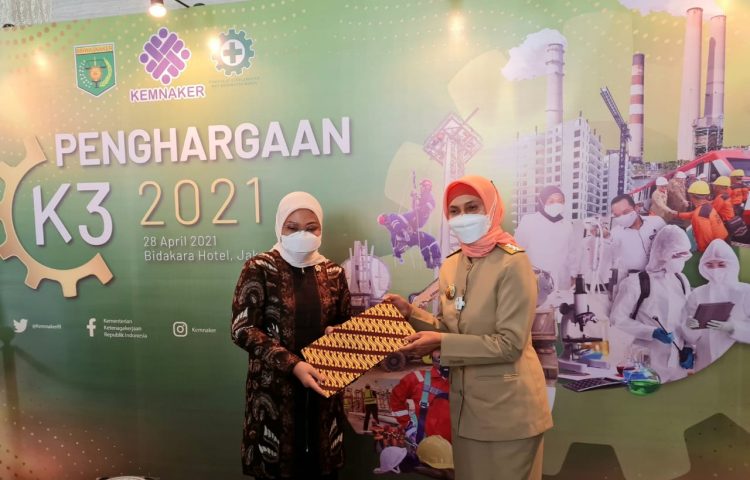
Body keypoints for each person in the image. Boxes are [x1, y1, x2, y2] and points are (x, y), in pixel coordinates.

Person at [385, 175, 552, 480]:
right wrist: (410, 312)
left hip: (509, 412)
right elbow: (450, 327)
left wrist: (442, 343)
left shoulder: (512, 262)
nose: (463, 217)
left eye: (472, 207)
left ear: (491, 209)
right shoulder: (452, 264)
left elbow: (510, 344)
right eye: (455, 211)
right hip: (465, 412)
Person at [230, 191, 351, 480]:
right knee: (279, 469)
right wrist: (293, 365)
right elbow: (242, 329)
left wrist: (339, 333)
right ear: (279, 227)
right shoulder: (260, 268)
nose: (302, 235)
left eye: (311, 228)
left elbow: (344, 322)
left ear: (321, 229)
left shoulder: (333, 272)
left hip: (323, 391)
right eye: (292, 227)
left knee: (320, 469)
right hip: (274, 393)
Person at [609, 226, 693, 382]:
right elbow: (617, 319)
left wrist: (688, 347)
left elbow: (686, 317)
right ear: (663, 253)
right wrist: (651, 332)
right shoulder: (635, 283)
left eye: (684, 255)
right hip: (646, 364)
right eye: (677, 255)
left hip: (677, 366)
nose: (681, 260)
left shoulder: (681, 280)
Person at [679, 240, 750, 372]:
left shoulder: (746, 292)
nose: (715, 269)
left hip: (738, 361)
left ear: (732, 264)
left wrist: (734, 328)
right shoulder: (698, 293)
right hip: (705, 360)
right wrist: (689, 327)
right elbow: (690, 339)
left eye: (721, 264)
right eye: (710, 265)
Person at [514, 185, 577, 290]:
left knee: (560, 299)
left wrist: (573, 274)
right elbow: (516, 249)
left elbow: (572, 252)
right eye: (551, 201)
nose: (556, 204)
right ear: (542, 201)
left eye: (560, 201)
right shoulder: (529, 221)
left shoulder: (567, 225)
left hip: (561, 278)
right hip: (534, 278)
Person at [389, 350, 451, 444]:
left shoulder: (464, 381)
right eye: (438, 349)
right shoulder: (418, 379)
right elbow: (395, 398)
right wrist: (408, 426)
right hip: (428, 443)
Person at [610, 194, 666, 278]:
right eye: (617, 215)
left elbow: (670, 245)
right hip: (633, 280)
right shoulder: (615, 233)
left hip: (661, 276)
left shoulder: (657, 222)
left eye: (625, 212)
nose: (622, 217)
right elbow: (611, 261)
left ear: (636, 208)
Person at [677, 180, 728, 253]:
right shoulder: (706, 207)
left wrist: (702, 253)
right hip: (723, 241)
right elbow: (692, 214)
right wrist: (677, 214)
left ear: (691, 196)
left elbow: (705, 241)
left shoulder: (699, 216)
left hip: (716, 249)